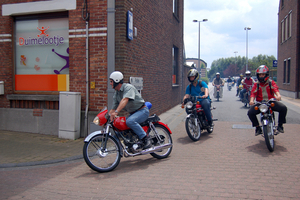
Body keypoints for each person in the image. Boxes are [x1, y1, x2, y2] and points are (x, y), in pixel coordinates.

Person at [108, 71, 151, 149]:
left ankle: (146, 139)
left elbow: (125, 99)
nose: (110, 83)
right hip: (133, 113)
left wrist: (117, 112)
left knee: (130, 121)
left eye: (111, 81)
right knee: (122, 125)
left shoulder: (128, 87)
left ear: (116, 81)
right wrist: (106, 118)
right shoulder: (116, 94)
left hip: (142, 111)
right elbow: (113, 109)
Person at [247, 65, 287, 135]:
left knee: (283, 108)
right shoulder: (256, 84)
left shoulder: (270, 82)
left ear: (266, 75)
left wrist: (278, 95)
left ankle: (280, 125)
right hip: (260, 103)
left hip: (270, 101)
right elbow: (253, 93)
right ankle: (257, 127)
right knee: (250, 112)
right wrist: (251, 100)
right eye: (260, 75)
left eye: (263, 74)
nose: (261, 76)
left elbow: (275, 89)